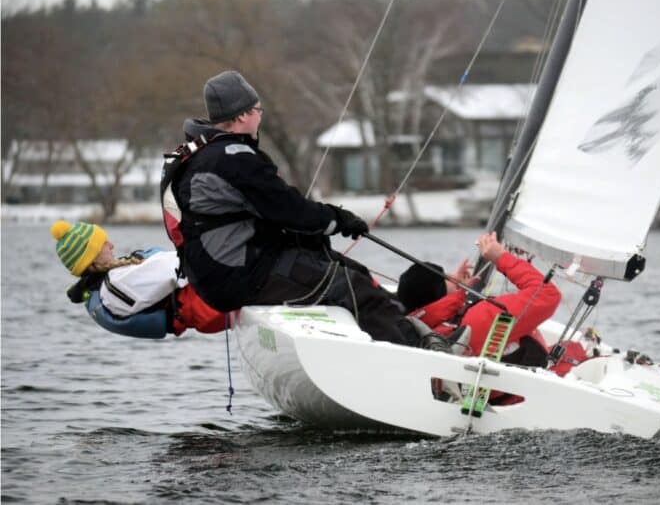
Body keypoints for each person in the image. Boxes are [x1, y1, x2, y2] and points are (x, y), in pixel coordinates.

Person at [165, 70, 426, 347]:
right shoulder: (232, 158)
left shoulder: (200, 153)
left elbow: (272, 211)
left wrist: (322, 228)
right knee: (350, 286)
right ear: (242, 115)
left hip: (226, 273)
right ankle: (421, 355)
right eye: (257, 109)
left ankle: (420, 333)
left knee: (354, 272)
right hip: (241, 276)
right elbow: (289, 209)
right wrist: (340, 220)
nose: (260, 116)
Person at [398, 232, 562, 367]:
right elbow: (547, 294)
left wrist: (458, 293)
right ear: (439, 291)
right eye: (446, 277)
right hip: (528, 397)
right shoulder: (479, 319)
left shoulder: (432, 329)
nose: (455, 276)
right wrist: (501, 257)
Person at [51, 220, 225, 339]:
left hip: (207, 308)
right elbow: (177, 268)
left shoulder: (106, 287)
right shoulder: (117, 282)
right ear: (92, 256)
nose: (111, 245)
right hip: (210, 304)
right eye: (104, 243)